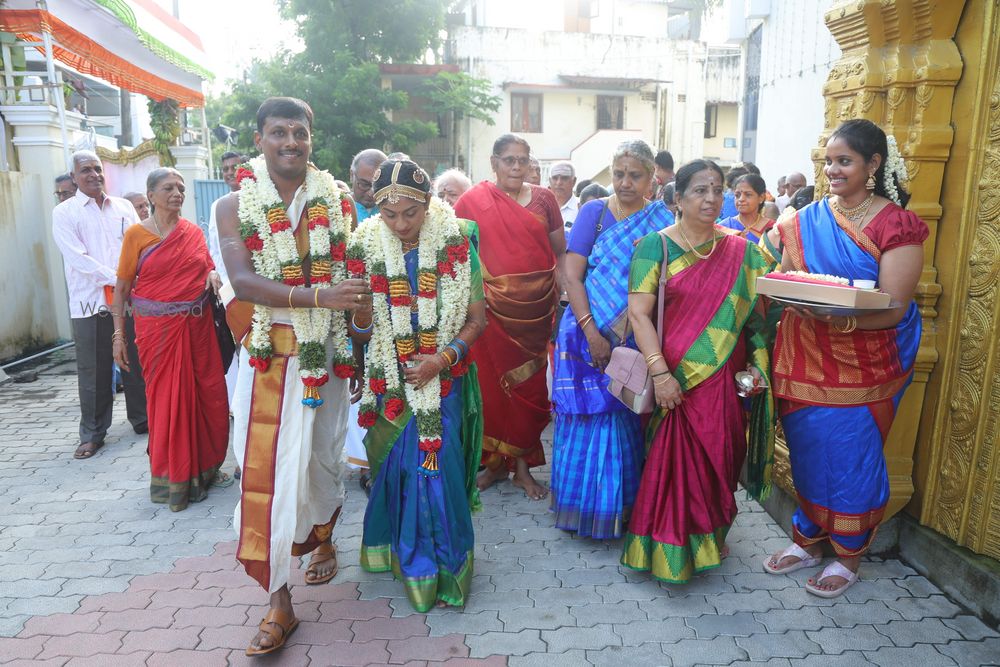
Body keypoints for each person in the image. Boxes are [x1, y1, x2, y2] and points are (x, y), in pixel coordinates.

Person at [216, 97, 371, 655]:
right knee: (267, 478)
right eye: (278, 132)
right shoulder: (234, 204)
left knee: (323, 461)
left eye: (299, 133)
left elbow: (357, 280)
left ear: (311, 138)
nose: (290, 142)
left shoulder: (339, 200)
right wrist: (315, 296)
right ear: (259, 139)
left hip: (325, 357)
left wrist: (355, 342)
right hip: (266, 360)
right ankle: (278, 604)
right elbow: (242, 278)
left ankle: (324, 539)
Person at [764, 120, 927, 597]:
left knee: (851, 456)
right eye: (828, 162)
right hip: (803, 354)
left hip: (866, 361)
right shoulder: (804, 219)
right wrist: (785, 289)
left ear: (873, 164)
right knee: (807, 450)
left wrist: (833, 317)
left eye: (844, 161)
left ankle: (849, 554)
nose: (832, 170)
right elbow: (783, 275)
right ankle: (808, 539)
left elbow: (893, 306)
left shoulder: (897, 224)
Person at [621, 159, 773, 583]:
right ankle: (670, 547)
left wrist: (759, 367)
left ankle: (709, 534)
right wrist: (660, 374)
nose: (710, 199)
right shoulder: (656, 246)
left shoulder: (744, 252)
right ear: (678, 199)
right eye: (699, 191)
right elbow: (638, 315)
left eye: (717, 190)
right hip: (675, 377)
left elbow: (760, 319)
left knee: (721, 458)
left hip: (723, 376)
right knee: (672, 464)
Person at [349, 159, 486, 611]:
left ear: (429, 204)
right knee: (398, 469)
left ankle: (446, 570)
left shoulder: (457, 240)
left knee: (437, 469)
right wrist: (363, 317)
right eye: (390, 215)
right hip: (389, 379)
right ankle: (407, 561)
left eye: (412, 213)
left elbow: (476, 320)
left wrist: (441, 359)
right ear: (377, 210)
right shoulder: (365, 246)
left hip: (442, 377)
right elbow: (360, 331)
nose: (402, 224)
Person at [552, 140, 667, 539]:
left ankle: (618, 510)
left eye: (634, 175)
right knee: (583, 417)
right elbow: (572, 275)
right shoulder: (594, 212)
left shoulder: (661, 220)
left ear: (652, 177)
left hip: (632, 338)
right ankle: (579, 508)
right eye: (618, 174)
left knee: (621, 419)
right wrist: (591, 332)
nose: (624, 183)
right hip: (584, 335)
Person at [111, 168, 231, 510]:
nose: (177, 193)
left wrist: (211, 274)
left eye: (180, 187)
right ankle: (172, 479)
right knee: (166, 401)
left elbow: (208, 265)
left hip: (198, 330)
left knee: (207, 397)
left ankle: (205, 470)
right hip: (158, 334)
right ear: (150, 195)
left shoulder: (192, 232)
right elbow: (121, 289)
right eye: (168, 188)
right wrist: (118, 335)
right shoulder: (136, 235)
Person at [453, 134, 565, 500]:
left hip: (535, 312)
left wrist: (563, 296)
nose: (516, 167)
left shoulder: (545, 199)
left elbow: (558, 250)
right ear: (494, 162)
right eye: (508, 160)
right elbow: (459, 257)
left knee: (530, 388)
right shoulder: (472, 200)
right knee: (490, 386)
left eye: (522, 160)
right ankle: (493, 465)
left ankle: (521, 469)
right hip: (491, 312)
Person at [52, 150, 147, 460]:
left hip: (129, 300)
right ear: (74, 177)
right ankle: (92, 434)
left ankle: (143, 419)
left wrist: (130, 281)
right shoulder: (65, 212)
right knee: (94, 369)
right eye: (85, 170)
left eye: (97, 168)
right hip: (90, 302)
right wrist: (120, 279)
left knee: (134, 359)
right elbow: (78, 259)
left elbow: (140, 245)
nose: (93, 174)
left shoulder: (122, 207)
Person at [719, 173, 772, 243]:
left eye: (748, 195)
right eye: (737, 195)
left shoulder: (772, 228)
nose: (741, 199)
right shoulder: (724, 227)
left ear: (761, 198)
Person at [351, 148, 388, 221]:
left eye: (378, 186)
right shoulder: (336, 208)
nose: (371, 193)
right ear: (352, 175)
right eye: (364, 185)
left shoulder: (394, 210)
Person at [547, 161, 578, 232]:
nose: (559, 183)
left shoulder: (581, 209)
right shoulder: (542, 207)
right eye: (555, 178)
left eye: (564, 178)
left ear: (574, 181)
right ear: (550, 180)